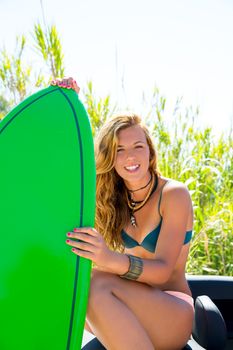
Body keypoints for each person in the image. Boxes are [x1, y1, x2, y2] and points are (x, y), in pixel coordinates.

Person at [52, 78, 194, 350]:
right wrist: (69, 105)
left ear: (150, 152)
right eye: (119, 149)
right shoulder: (112, 199)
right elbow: (71, 174)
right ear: (110, 157)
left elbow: (163, 271)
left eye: (138, 146)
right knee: (77, 286)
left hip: (173, 312)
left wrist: (107, 258)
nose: (130, 157)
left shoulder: (173, 195)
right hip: (131, 308)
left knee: (95, 283)